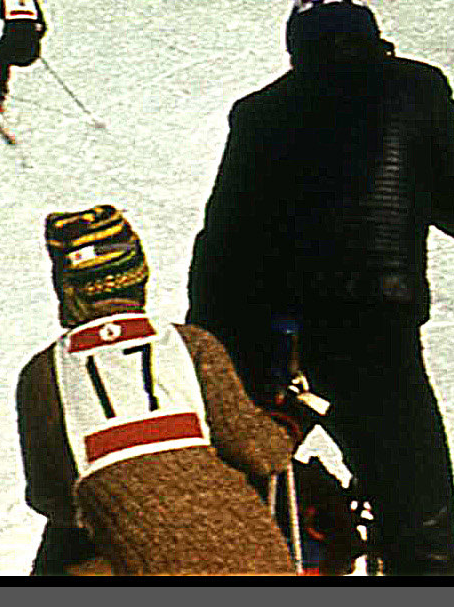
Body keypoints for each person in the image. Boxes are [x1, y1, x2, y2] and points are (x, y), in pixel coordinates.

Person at [187, 0, 454, 575]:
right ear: (371, 32)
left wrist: (210, 357)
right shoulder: (416, 88)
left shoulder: (258, 113)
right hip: (373, 332)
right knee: (421, 525)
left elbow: (219, 243)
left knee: (245, 519)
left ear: (296, 46)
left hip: (265, 340)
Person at [17, 206, 296, 576]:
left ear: (67, 287)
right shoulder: (190, 344)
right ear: (138, 274)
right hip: (252, 556)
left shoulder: (44, 373)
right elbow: (263, 454)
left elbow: (49, 495)